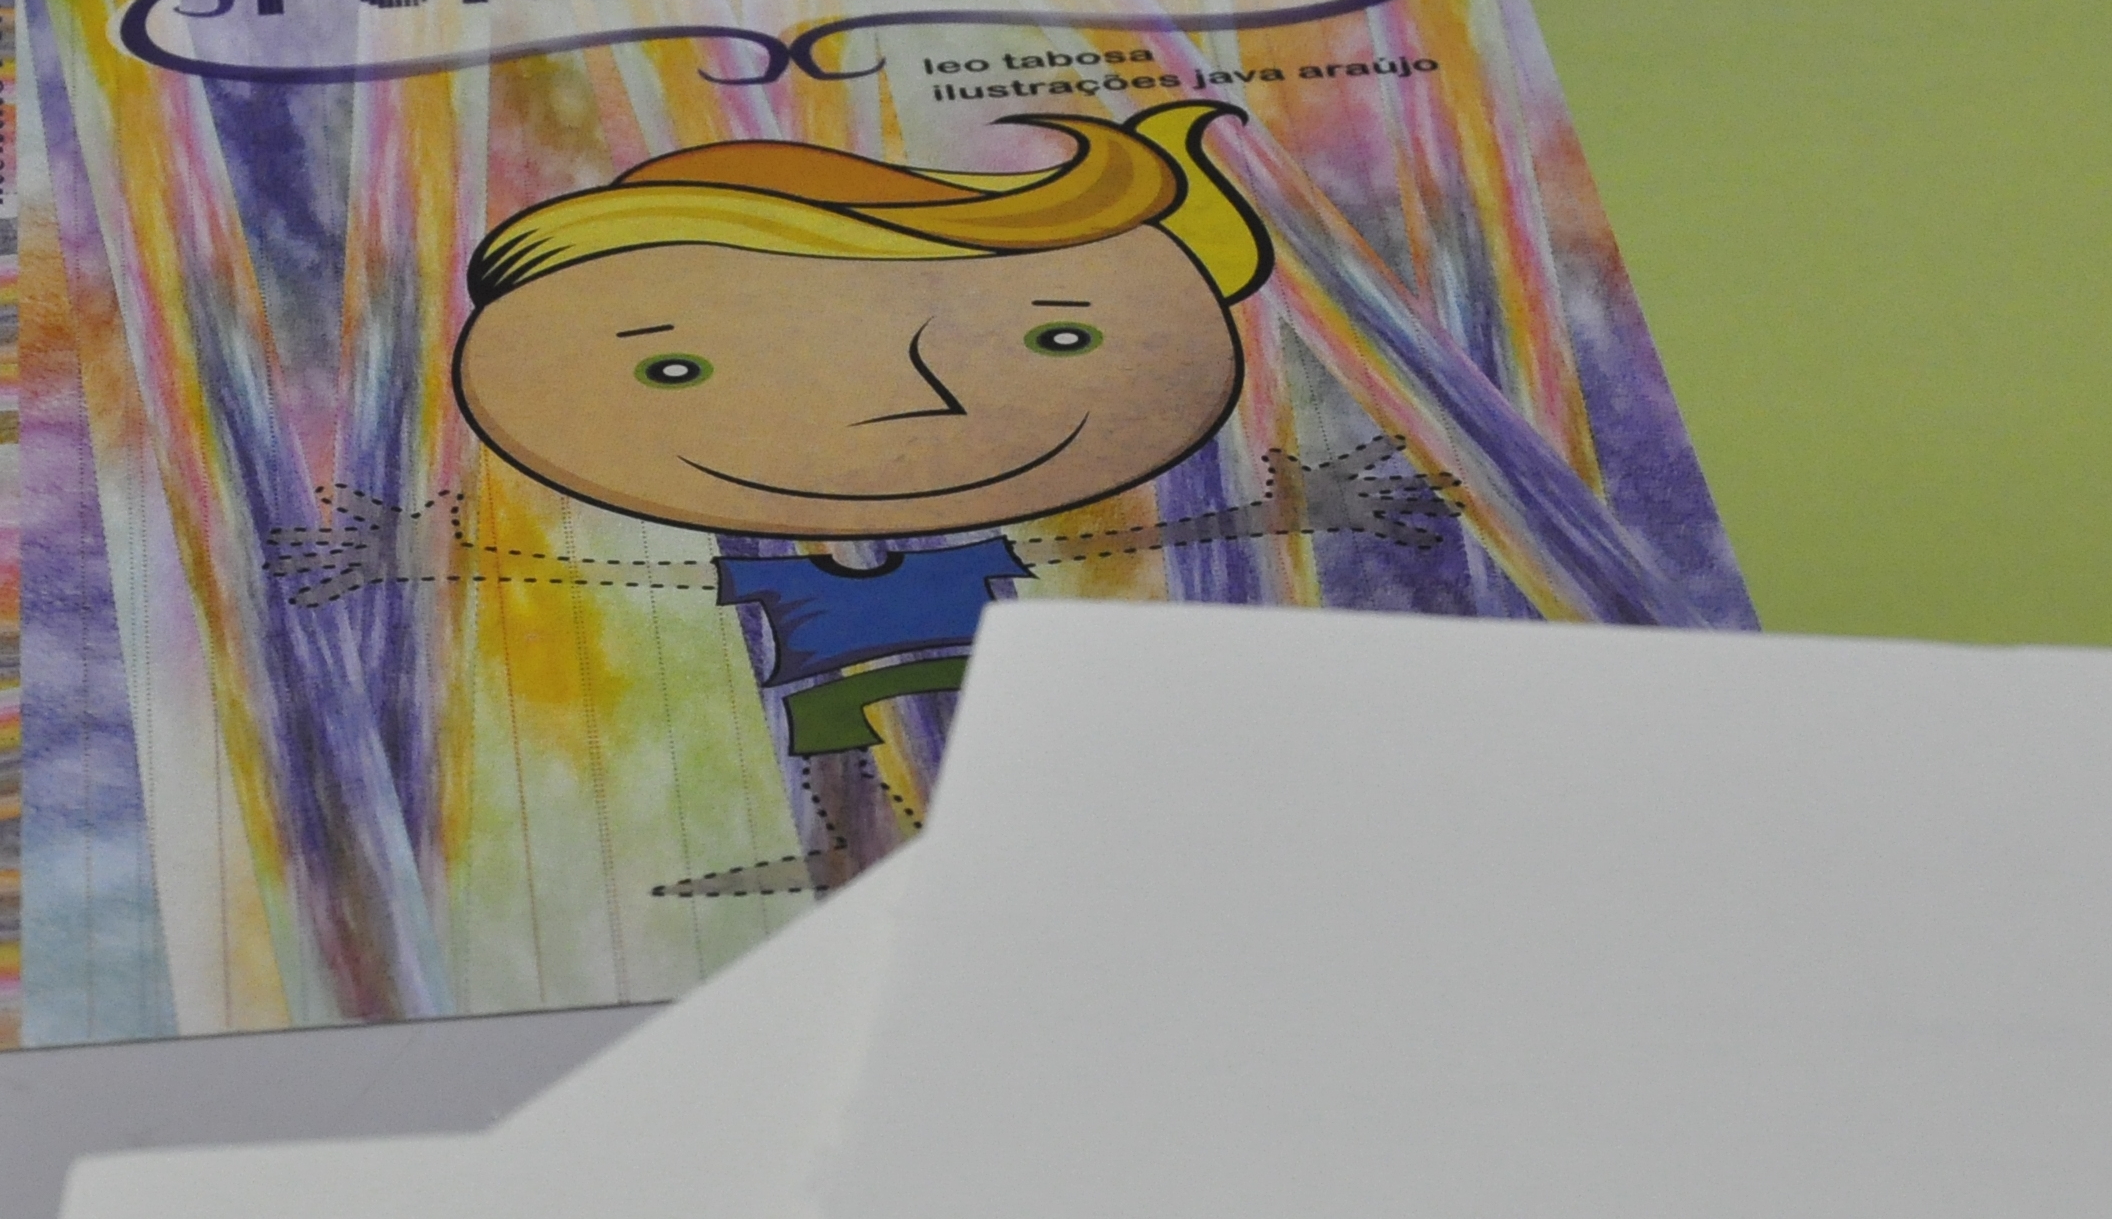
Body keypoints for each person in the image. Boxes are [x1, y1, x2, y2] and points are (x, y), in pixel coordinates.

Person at [272, 103, 1454, 757]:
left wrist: (1306, 509)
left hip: (1009, 698)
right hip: (836, 709)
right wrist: (421, 561)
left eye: (1057, 338)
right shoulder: (770, 568)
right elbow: (621, 572)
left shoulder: (976, 553)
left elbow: (1127, 543)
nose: (910, 403)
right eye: (679, 369)